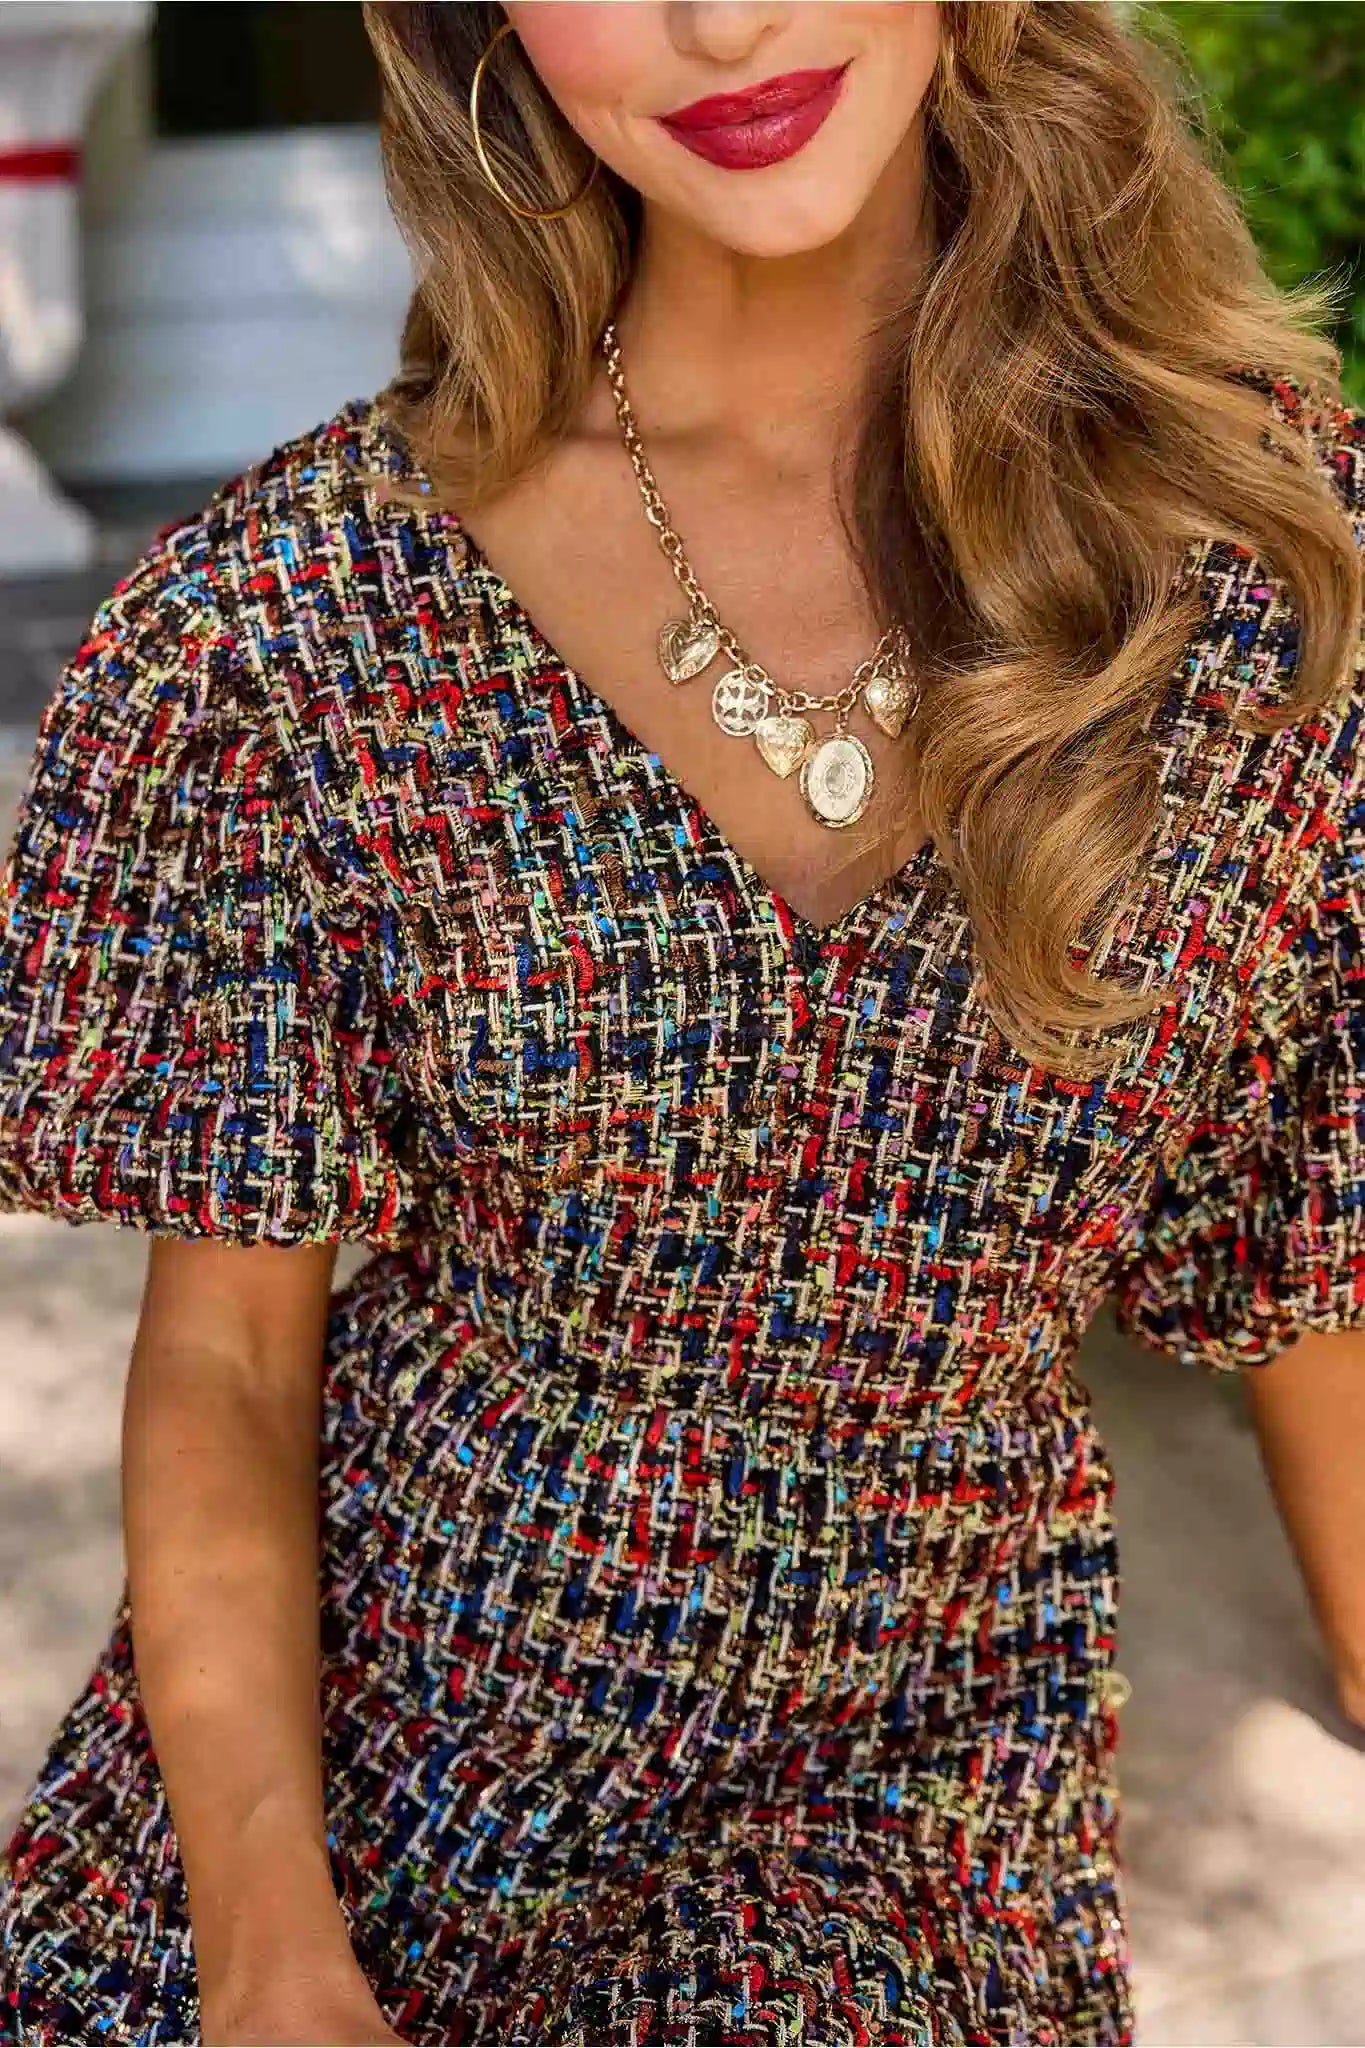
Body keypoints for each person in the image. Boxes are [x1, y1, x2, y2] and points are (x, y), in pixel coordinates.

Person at [1, 2, 1363, 2042]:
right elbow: (226, 1364)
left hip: (912, 1815)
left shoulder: (1257, 568)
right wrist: (267, 1948)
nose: (717, 20)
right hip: (353, 1802)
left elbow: (1306, 1257)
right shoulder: (285, 627)